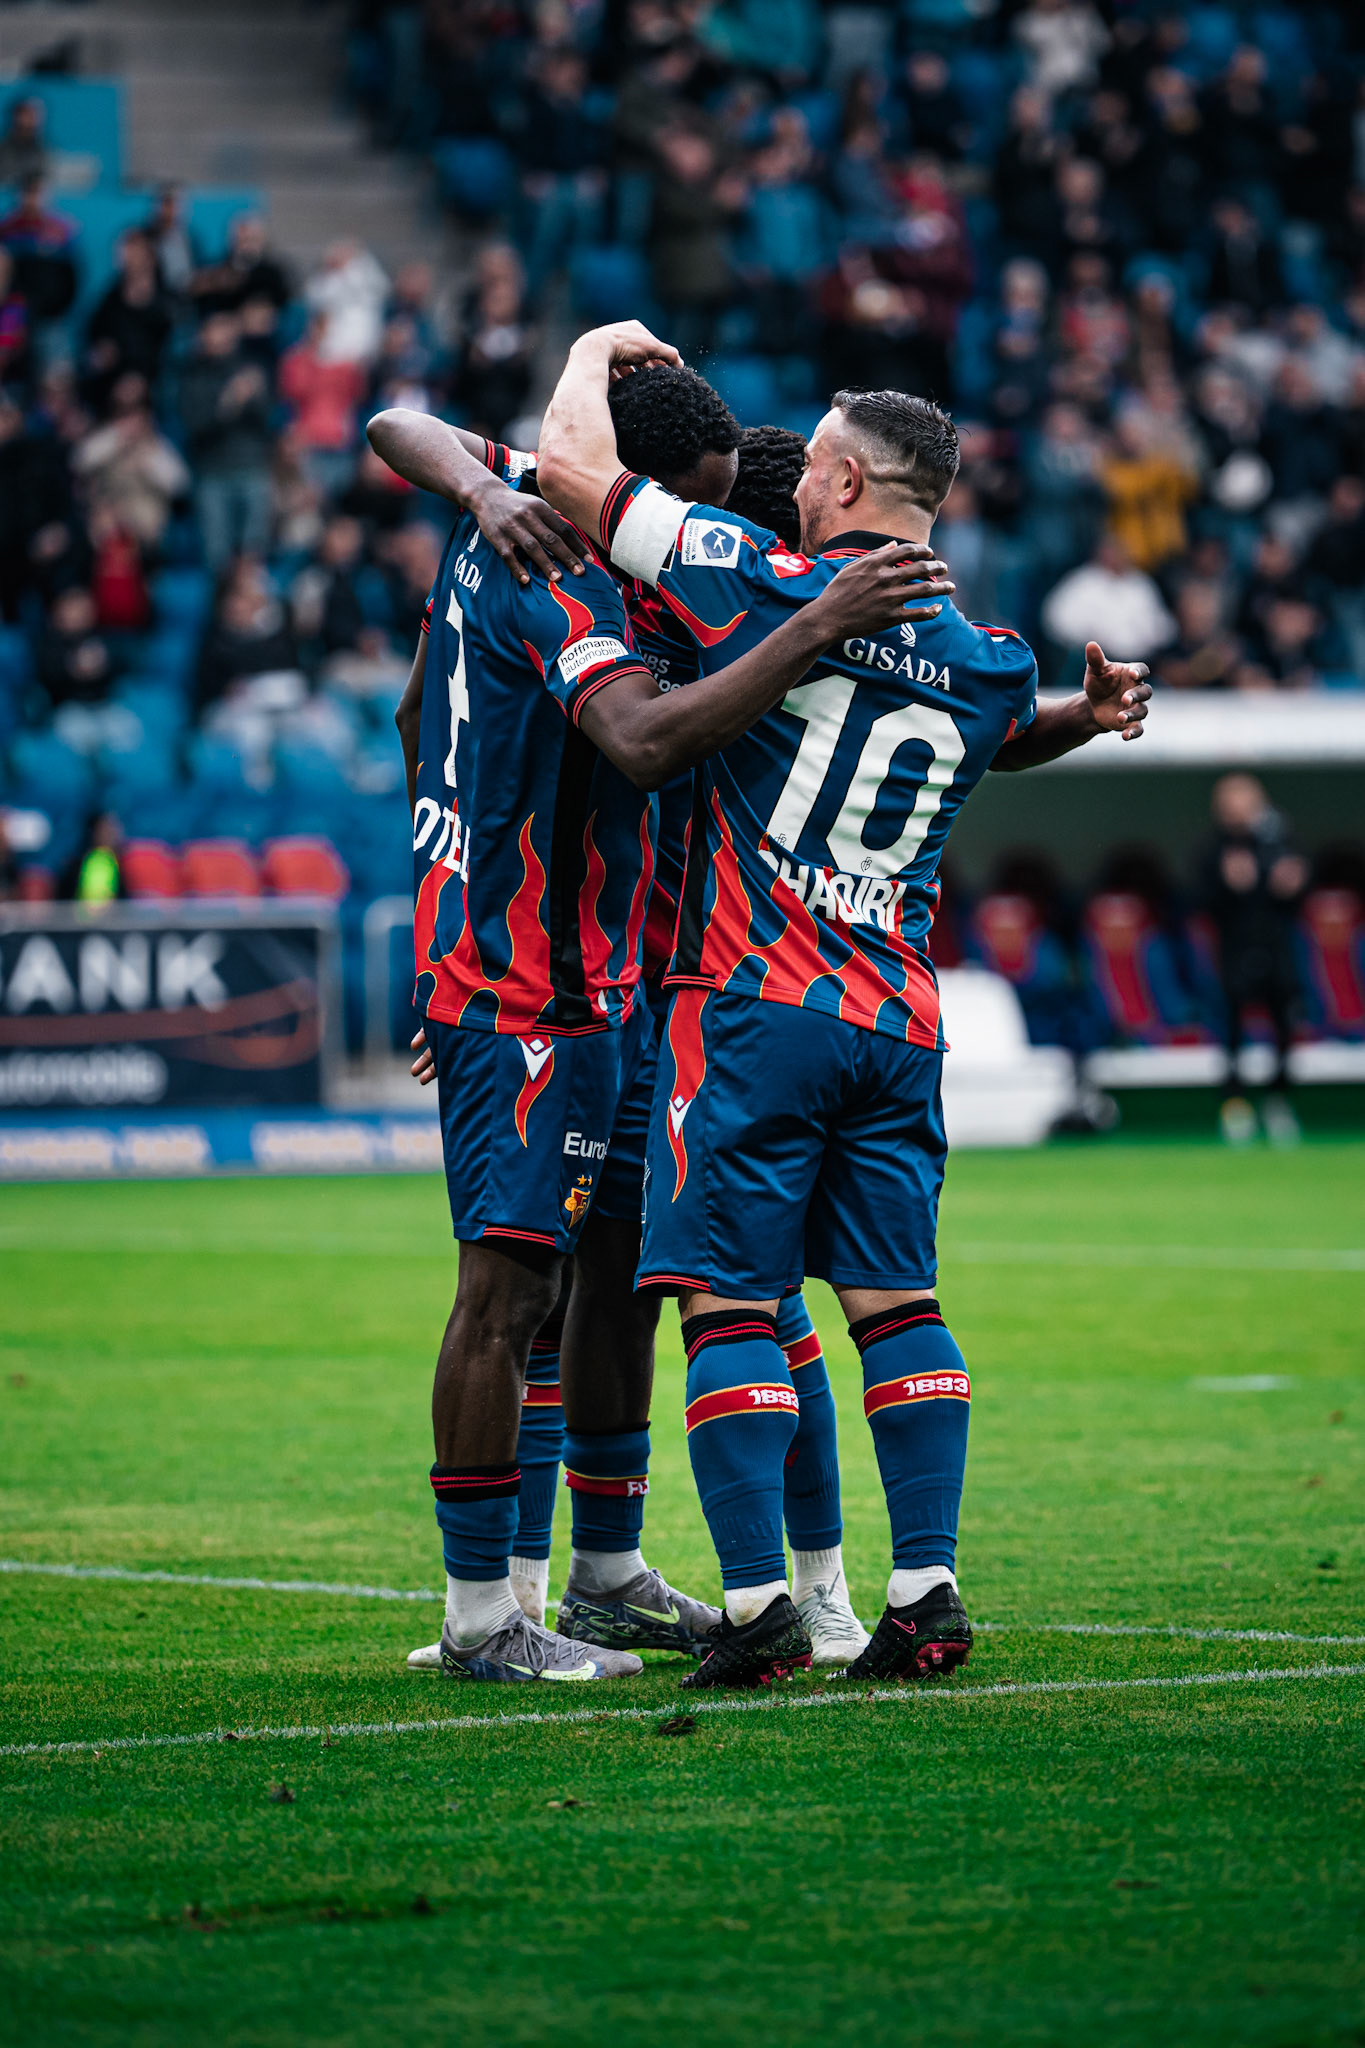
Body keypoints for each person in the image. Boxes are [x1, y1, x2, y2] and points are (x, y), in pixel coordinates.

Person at [536, 323, 1152, 1688]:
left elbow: (575, 468)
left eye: (815, 466)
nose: (795, 483)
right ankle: (924, 1593)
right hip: (895, 1018)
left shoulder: (757, 582)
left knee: (729, 1308)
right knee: (894, 1299)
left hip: (754, 1006)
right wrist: (1085, 713)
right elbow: (996, 725)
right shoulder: (988, 654)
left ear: (857, 490)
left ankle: (758, 1606)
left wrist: (588, 351)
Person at [368, 373, 953, 1684]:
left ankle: (608, 1577)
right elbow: (633, 744)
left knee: (624, 1282)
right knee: (575, 1290)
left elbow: (418, 705)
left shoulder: (524, 511)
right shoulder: (600, 578)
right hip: (588, 991)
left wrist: (450, 909)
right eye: (681, 511)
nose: (672, 545)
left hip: (621, 992)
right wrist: (471, 931)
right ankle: (510, 1613)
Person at [1202, 774, 1307, 1147]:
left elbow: (1297, 895)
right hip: (1235, 953)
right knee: (1232, 1034)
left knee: (1283, 1029)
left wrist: (1293, 883)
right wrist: (1226, 882)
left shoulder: (1279, 842)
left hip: (1277, 951)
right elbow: (1202, 902)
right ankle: (1235, 1107)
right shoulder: (1215, 850)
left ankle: (1279, 1102)